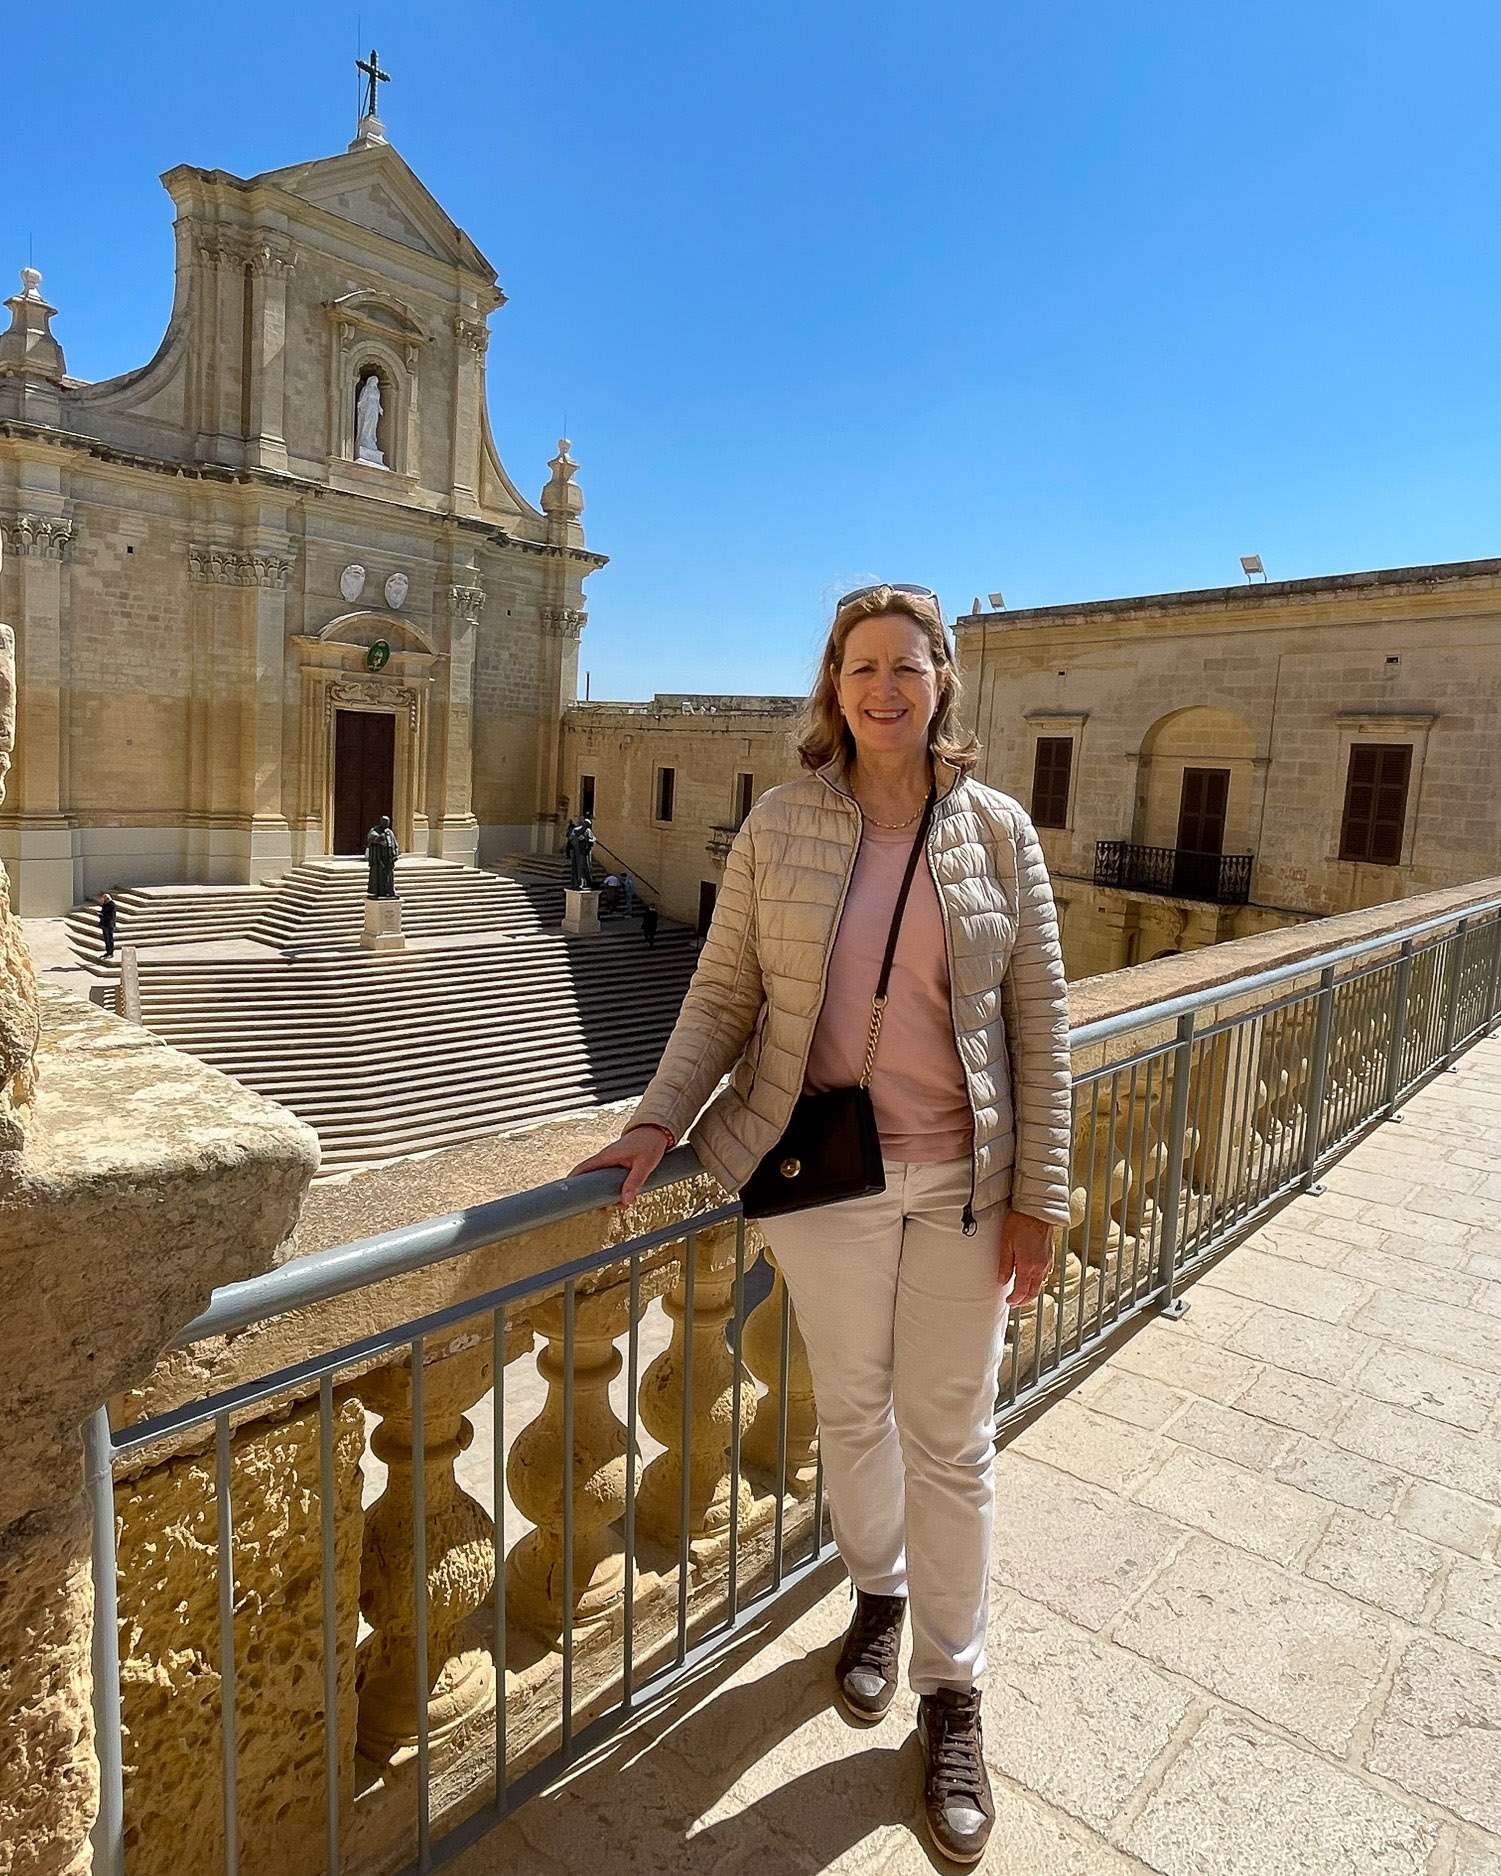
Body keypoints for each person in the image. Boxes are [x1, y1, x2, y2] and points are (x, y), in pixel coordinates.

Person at [570, 583, 1072, 1866]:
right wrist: (654, 1117)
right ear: (832, 685)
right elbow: (723, 988)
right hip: (822, 1174)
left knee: (950, 1438)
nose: (884, 688)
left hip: (965, 1179)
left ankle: (952, 1694)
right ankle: (877, 1600)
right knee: (850, 1406)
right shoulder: (780, 825)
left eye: (908, 665)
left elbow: (1039, 1026)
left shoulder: (1000, 834)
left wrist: (1042, 1195)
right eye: (862, 667)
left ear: (943, 681)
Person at [98, 892, 118, 960]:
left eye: (104, 899)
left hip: (109, 924)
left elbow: (111, 916)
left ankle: (110, 952)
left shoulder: (112, 905)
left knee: (109, 938)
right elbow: (103, 912)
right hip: (104, 924)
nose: (103, 901)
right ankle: (107, 951)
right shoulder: (105, 905)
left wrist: (102, 915)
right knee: (106, 939)